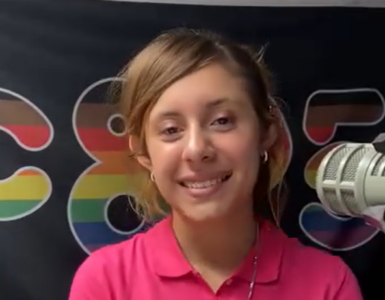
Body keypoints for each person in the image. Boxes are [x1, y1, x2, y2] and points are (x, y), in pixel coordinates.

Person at [68, 28, 363, 300]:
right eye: (171, 130)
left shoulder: (328, 284)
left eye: (222, 121)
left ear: (265, 133)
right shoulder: (105, 282)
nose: (197, 150)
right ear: (143, 152)